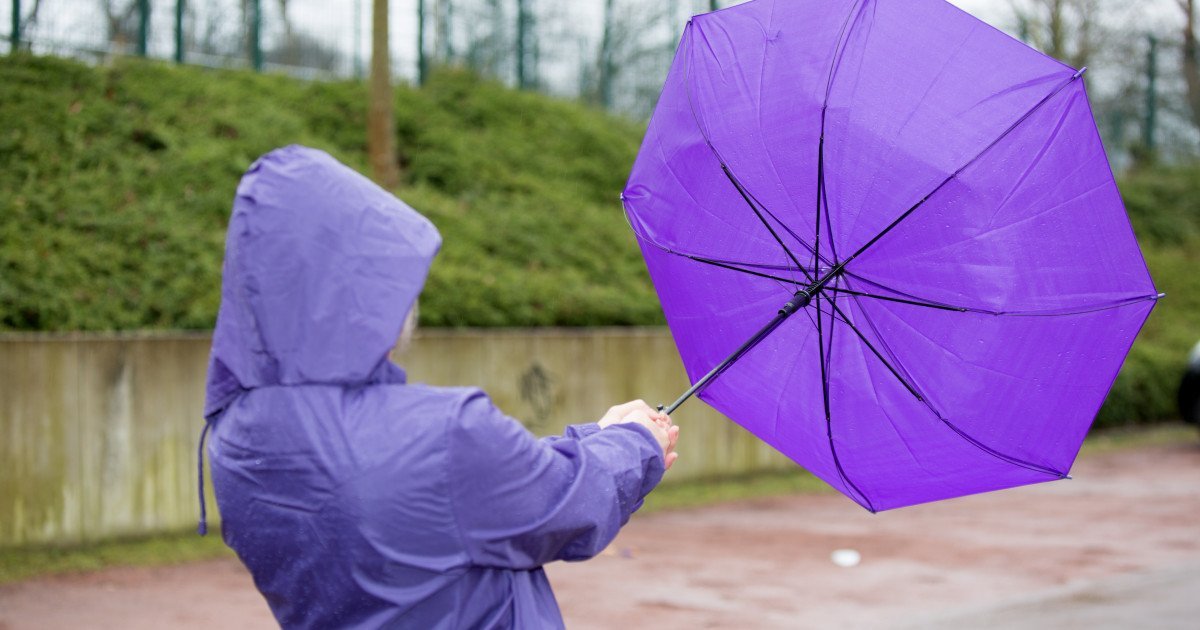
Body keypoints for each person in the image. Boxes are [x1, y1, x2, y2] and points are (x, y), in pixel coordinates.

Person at [197, 145, 679, 628]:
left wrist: (596, 437)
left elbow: (471, 492)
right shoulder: (445, 433)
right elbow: (563, 503)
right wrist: (637, 444)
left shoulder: (233, 440)